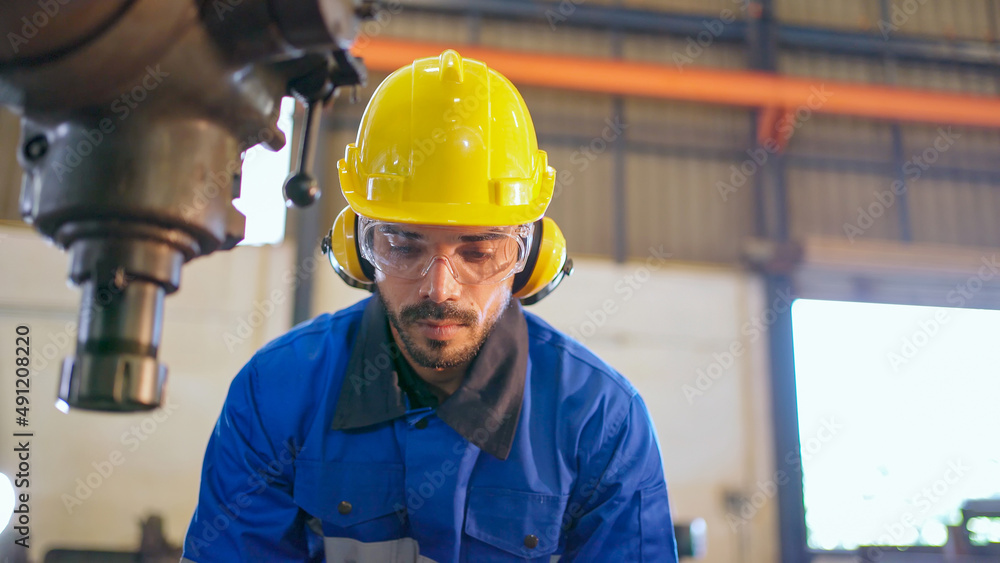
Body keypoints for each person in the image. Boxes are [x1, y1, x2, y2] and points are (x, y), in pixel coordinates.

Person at [181, 49, 678, 562]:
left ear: (529, 260)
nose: (440, 289)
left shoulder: (602, 423)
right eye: (403, 246)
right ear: (357, 249)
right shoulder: (277, 393)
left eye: (479, 251)